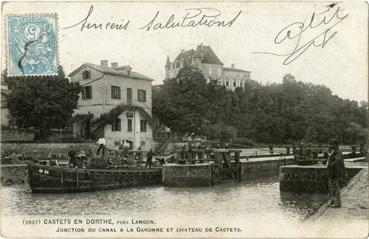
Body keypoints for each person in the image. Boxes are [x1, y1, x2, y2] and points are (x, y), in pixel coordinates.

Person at [326, 139, 346, 208]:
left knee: (335, 187)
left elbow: (337, 161)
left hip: (336, 172)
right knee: (330, 187)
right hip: (331, 172)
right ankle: (332, 201)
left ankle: (337, 203)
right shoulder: (332, 152)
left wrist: (330, 164)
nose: (329, 146)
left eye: (331, 144)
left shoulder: (338, 152)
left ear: (335, 145)